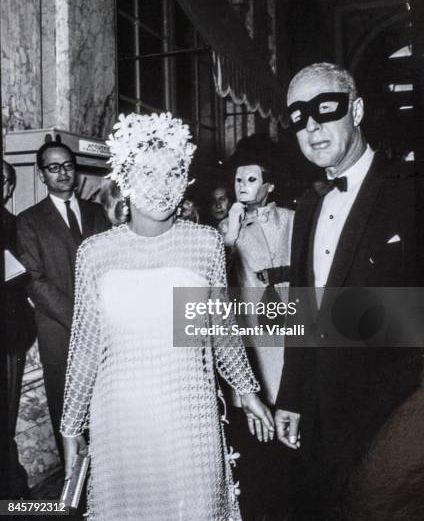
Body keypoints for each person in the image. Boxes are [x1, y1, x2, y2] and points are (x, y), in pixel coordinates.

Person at [60, 112, 274, 521]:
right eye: (147, 173)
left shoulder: (205, 243)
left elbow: (220, 329)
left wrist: (248, 392)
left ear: (185, 179)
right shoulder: (95, 253)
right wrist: (70, 428)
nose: (161, 187)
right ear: (125, 175)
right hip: (122, 418)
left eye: (172, 173)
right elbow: (86, 345)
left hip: (187, 412)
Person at [275, 63, 422, 519]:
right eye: (299, 116)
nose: (312, 125)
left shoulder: (410, 190)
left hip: (393, 419)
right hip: (320, 420)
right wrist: (292, 398)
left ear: (355, 110)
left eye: (326, 109)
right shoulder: (306, 203)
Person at [16, 141, 110, 461]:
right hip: (61, 336)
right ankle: (76, 502)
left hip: (105, 336)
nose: (62, 173)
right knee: (68, 421)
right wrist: (81, 320)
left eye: (68, 165)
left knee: (106, 418)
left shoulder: (97, 213)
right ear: (41, 175)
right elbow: (33, 281)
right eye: (53, 167)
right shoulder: (27, 221)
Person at [220, 153, 294, 520]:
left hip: (293, 335)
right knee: (258, 445)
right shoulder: (222, 233)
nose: (243, 186)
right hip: (251, 344)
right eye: (238, 180)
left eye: (251, 179)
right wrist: (230, 231)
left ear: (270, 185)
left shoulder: (295, 222)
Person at [2, 160, 36, 497]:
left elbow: (25, 280)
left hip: (8, 338)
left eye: (2, 180)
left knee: (3, 421)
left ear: (10, 188)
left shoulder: (18, 226)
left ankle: (12, 497)